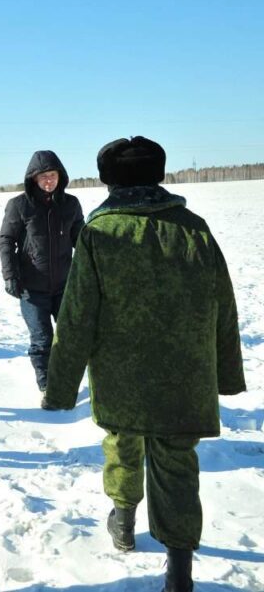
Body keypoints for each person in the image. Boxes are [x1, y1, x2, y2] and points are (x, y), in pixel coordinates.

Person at [43, 137, 245, 592]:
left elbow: (76, 318)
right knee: (177, 461)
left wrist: (59, 388)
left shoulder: (100, 232)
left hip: (121, 378)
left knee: (122, 443)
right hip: (185, 377)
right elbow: (223, 306)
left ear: (111, 181)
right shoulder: (194, 227)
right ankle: (179, 569)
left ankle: (124, 519)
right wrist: (226, 375)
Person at [0, 151, 83, 393]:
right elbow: (6, 240)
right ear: (33, 179)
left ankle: (65, 382)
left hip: (65, 285)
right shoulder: (20, 205)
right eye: (43, 176)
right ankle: (46, 385)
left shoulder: (71, 204)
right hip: (32, 288)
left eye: (53, 175)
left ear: (60, 176)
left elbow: (82, 238)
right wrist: (10, 275)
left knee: (68, 339)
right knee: (42, 340)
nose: (48, 181)